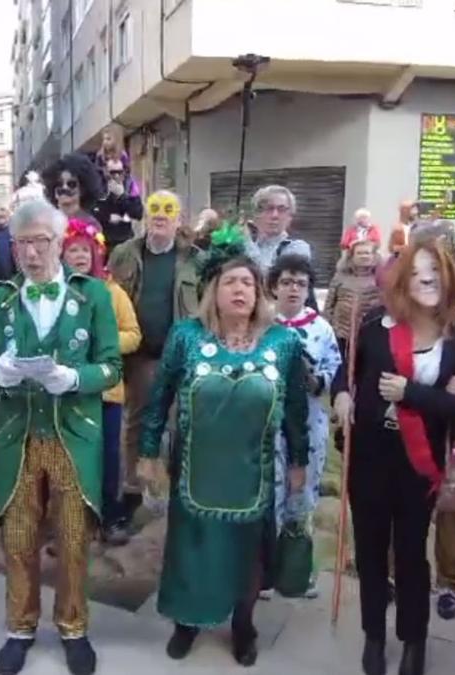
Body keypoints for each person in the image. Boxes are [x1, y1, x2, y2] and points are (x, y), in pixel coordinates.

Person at [138, 223, 308, 666]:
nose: (239, 290)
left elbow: (294, 410)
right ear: (212, 290)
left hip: (253, 470)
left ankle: (243, 624)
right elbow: (159, 399)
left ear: (260, 293)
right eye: (230, 281)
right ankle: (187, 622)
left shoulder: (284, 342)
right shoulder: (187, 337)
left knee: (246, 555)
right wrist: (148, 451)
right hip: (194, 467)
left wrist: (299, 463)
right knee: (191, 549)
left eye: (248, 282)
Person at [0, 200, 122, 675]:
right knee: (18, 537)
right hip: (18, 435)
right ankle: (20, 627)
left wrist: (74, 379)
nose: (32, 253)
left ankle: (73, 626)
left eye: (42, 241)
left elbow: (112, 367)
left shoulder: (93, 295)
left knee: (74, 537)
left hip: (74, 434)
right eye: (23, 243)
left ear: (61, 243)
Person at [333, 239, 455, 675]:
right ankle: (373, 635)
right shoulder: (374, 325)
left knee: (410, 554)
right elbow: (345, 371)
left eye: (435, 270)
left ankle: (414, 641)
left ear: (449, 276)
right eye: (417, 271)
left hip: (419, 463)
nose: (427, 278)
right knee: (368, 552)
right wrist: (343, 395)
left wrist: (415, 394)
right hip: (368, 455)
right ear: (402, 280)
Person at [108, 191, 201, 531]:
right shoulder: (124, 253)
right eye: (155, 209)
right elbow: (112, 298)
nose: (161, 216)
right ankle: (132, 492)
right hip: (141, 354)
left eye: (169, 210)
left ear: (179, 218)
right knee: (138, 422)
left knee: (183, 422)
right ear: (145, 215)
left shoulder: (195, 259)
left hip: (182, 356)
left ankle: (180, 493)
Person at [60, 217, 141, 545]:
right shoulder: (54, 292)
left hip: (106, 392)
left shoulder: (113, 292)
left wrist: (102, 344)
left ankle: (109, 517)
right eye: (73, 250)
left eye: (86, 250)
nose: (80, 256)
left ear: (98, 253)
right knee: (71, 460)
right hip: (66, 391)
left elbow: (133, 335)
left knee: (107, 458)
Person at [269, 254, 341, 598]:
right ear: (274, 286)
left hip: (309, 423)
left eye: (300, 283)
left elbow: (335, 369)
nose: (293, 289)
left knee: (302, 494)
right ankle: (265, 571)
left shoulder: (321, 328)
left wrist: (318, 381)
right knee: (269, 494)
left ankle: (298, 571)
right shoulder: (263, 323)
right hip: (268, 423)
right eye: (286, 282)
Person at [323, 240, 382, 351]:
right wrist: (329, 327)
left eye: (367, 253)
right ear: (352, 256)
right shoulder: (340, 277)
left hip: (369, 336)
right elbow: (329, 304)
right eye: (360, 253)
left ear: (374, 256)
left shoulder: (380, 278)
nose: (364, 256)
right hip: (341, 334)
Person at [94, 158, 144, 254]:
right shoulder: (98, 187)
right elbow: (92, 211)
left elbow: (138, 213)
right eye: (112, 173)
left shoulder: (129, 186)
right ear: (106, 172)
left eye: (119, 172)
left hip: (124, 241)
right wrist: (108, 217)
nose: (116, 176)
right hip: (103, 241)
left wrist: (122, 196)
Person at [44, 153, 104, 226]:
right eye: (59, 184)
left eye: (71, 184)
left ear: (82, 189)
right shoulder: (47, 224)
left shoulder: (91, 225)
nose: (64, 188)